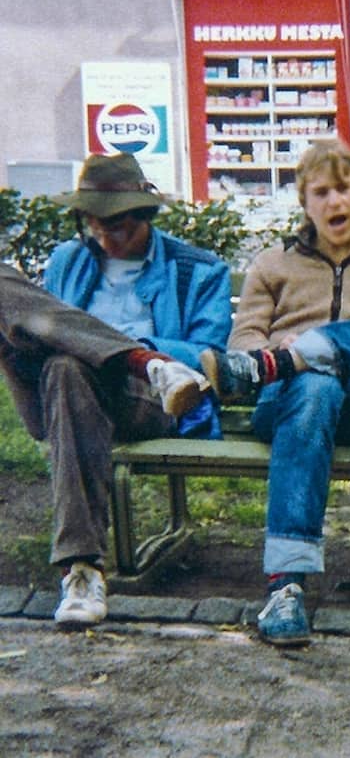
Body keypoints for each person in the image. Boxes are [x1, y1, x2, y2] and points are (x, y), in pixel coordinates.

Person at [200, 140, 350, 647]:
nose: (334, 202)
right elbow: (243, 345)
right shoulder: (272, 264)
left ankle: (309, 354)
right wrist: (277, 349)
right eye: (321, 192)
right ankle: (285, 586)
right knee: (312, 382)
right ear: (304, 202)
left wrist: (317, 348)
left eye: (344, 189)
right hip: (290, 402)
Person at [0, 152, 231, 627]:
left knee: (69, 366)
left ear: (144, 215)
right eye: (95, 225)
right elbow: (49, 329)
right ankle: (146, 363)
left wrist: (138, 349)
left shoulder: (197, 269)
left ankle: (81, 569)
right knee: (58, 356)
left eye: (120, 225)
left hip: (152, 400)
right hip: (61, 398)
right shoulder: (69, 259)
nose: (107, 236)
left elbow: (209, 357)